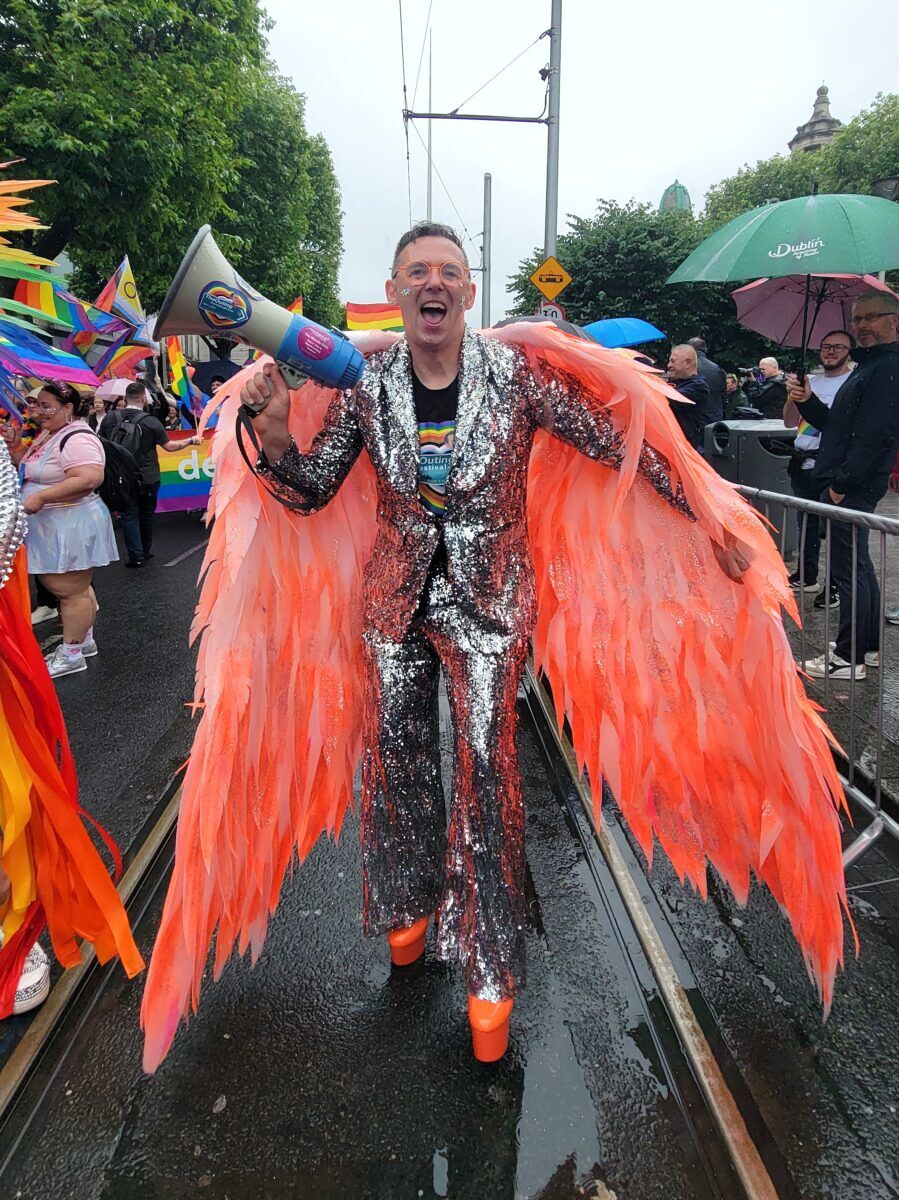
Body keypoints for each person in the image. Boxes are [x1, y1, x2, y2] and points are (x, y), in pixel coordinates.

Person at [141, 221, 850, 1072]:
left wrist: (707, 516)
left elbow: (614, 442)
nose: (432, 283)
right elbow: (310, 493)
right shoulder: (368, 385)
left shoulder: (515, 377)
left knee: (485, 766)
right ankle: (405, 909)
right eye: (415, 273)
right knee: (397, 760)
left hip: (491, 606)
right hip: (392, 602)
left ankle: (487, 962)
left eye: (448, 272)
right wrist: (282, 435)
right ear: (397, 291)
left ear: (467, 294)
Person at [787, 292, 899, 679]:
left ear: (893, 321)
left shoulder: (886, 368)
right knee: (858, 567)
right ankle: (864, 647)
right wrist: (807, 402)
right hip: (851, 483)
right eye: (857, 319)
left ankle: (847, 658)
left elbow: (876, 436)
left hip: (851, 485)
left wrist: (840, 486)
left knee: (847, 570)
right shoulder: (869, 367)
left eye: (871, 318)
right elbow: (837, 424)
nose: (862, 325)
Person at [5, 380, 117, 678]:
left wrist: (41, 497)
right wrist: (16, 446)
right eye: (36, 405)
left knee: (70, 591)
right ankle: (84, 641)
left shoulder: (77, 437)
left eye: (45, 405)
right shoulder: (50, 434)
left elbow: (89, 477)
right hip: (56, 525)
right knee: (78, 589)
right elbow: (33, 470)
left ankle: (71, 655)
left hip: (70, 524)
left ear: (68, 408)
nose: (38, 411)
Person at [782, 330, 853, 597]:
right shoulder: (810, 380)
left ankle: (834, 585)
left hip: (831, 463)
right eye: (825, 346)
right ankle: (807, 574)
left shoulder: (852, 382)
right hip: (803, 460)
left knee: (833, 528)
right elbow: (789, 421)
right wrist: (793, 397)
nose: (831, 351)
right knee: (806, 523)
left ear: (849, 351)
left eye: (838, 346)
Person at [99, 381, 200, 567]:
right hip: (148, 475)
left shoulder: (111, 418)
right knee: (146, 514)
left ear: (124, 398)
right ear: (144, 398)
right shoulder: (150, 421)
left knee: (129, 514)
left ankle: (135, 556)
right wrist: (191, 440)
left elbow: (101, 444)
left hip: (121, 476)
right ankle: (146, 551)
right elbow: (170, 447)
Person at [666, 343, 711, 449]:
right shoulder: (678, 383)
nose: (668, 365)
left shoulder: (698, 387)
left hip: (684, 448)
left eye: (673, 361)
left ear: (687, 363)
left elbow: (672, 398)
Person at [688, 337, 725, 423]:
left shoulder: (687, 368)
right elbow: (723, 395)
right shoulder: (718, 369)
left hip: (695, 421)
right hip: (715, 420)